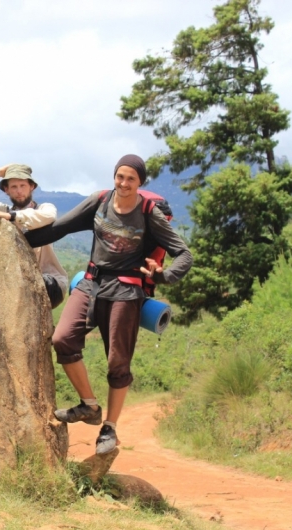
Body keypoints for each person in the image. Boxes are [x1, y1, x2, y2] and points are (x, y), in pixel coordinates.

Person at [24, 154, 192, 455]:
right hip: (91, 282)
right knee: (63, 339)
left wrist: (164, 276)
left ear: (140, 182)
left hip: (127, 291)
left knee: (117, 360)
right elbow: (58, 228)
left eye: (130, 178)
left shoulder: (149, 213)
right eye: (120, 176)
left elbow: (184, 254)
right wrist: (17, 235)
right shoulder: (99, 201)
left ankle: (110, 428)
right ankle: (89, 406)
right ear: (114, 176)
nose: (123, 183)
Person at [0, 164, 68, 308]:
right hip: (13, 281)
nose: (19, 191)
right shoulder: (1, 209)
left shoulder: (44, 209)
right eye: (13, 187)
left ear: (32, 187)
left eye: (22, 185)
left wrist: (11, 216)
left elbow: (48, 216)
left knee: (27, 287)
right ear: (6, 190)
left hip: (50, 282)